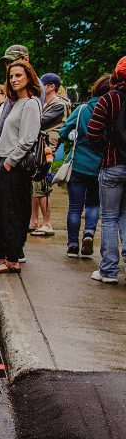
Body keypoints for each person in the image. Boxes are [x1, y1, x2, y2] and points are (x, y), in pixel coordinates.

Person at [0, 60, 42, 275]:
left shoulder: (31, 104)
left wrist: (9, 162)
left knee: (11, 212)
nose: (13, 80)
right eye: (11, 76)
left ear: (29, 77)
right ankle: (0, 254)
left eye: (18, 75)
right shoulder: (15, 103)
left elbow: (28, 139)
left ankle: (12, 259)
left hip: (13, 164)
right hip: (2, 160)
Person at [59, 74, 109, 258]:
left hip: (78, 164)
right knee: (94, 204)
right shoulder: (111, 111)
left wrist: (73, 135)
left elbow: (63, 132)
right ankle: (89, 233)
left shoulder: (82, 109)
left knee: (74, 207)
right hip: (100, 166)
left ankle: (72, 245)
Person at [86, 55, 126, 284]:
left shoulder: (109, 99)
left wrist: (106, 148)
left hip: (112, 165)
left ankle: (109, 270)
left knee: (109, 217)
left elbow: (93, 132)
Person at [29, 73, 71, 236]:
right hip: (38, 147)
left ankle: (47, 224)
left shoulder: (58, 105)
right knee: (35, 186)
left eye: (42, 85)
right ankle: (34, 221)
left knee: (43, 186)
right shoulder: (45, 103)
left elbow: (39, 121)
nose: (38, 88)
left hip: (46, 149)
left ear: (51, 86)